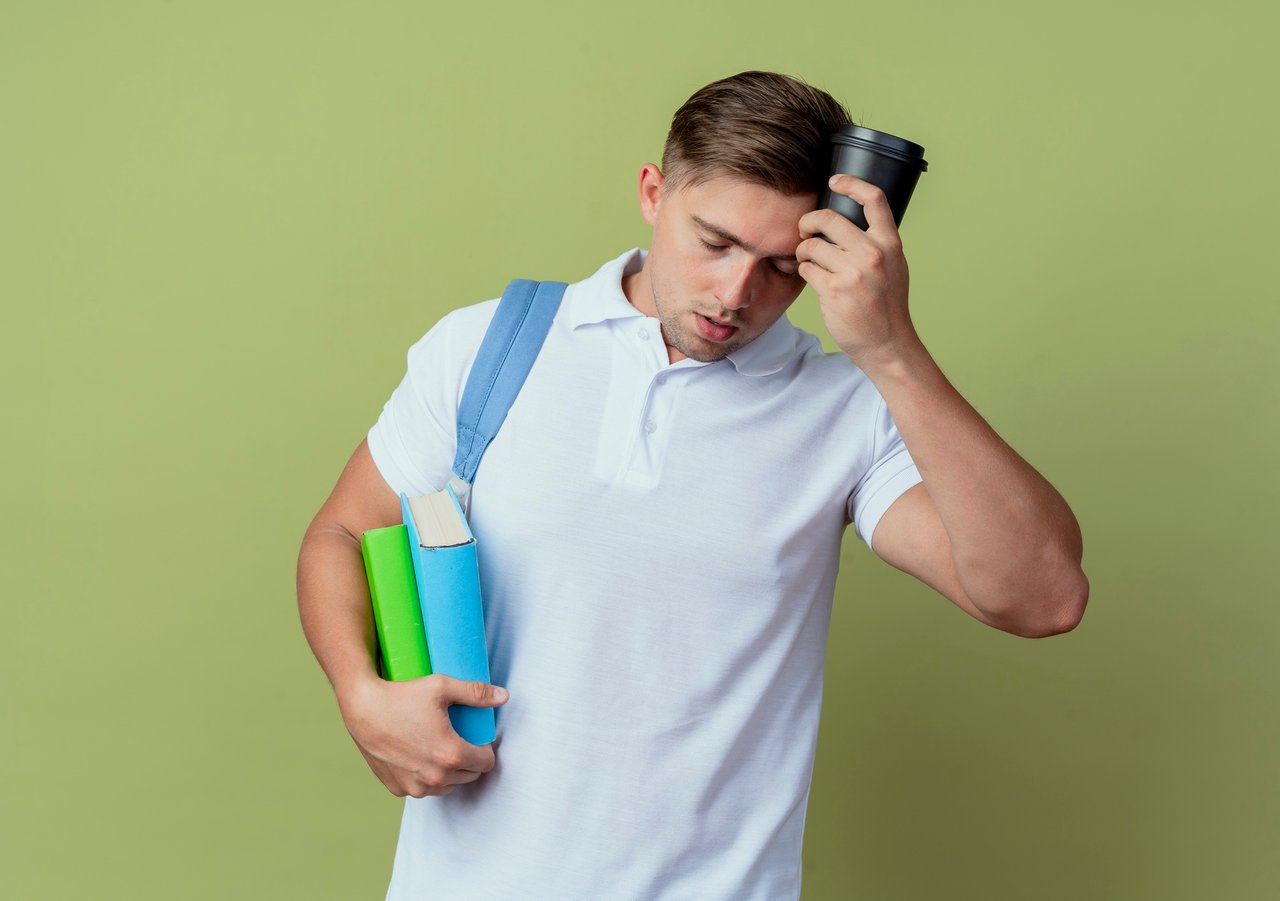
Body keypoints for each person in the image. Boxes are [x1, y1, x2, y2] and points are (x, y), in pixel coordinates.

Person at [296, 70, 1089, 900]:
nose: (736, 294)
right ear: (653, 192)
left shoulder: (850, 410)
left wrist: (892, 349)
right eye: (714, 242)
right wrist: (361, 693)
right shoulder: (487, 347)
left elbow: (1041, 596)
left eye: (783, 267)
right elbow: (343, 532)